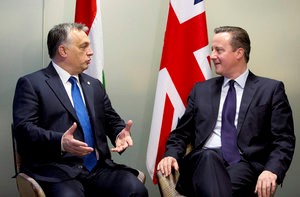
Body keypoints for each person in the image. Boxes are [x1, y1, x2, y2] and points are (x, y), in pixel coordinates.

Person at [157, 26, 295, 197]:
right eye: (212, 50)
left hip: (244, 166)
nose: (212, 55)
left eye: (219, 50)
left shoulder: (270, 90)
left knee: (216, 188)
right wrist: (171, 155)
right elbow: (181, 133)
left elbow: (284, 140)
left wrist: (272, 170)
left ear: (239, 53)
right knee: (208, 158)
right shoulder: (201, 90)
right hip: (201, 162)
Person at [13, 23, 148, 197]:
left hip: (98, 169)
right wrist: (60, 142)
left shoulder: (94, 85)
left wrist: (119, 133)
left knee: (135, 189)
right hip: (57, 171)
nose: (91, 52)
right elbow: (23, 129)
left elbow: (111, 120)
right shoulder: (32, 84)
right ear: (63, 51)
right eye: (83, 47)